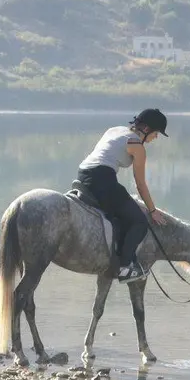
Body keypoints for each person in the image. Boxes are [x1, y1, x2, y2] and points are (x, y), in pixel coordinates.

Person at [77, 108, 169, 283]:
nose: (155, 138)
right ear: (147, 129)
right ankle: (125, 267)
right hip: (102, 179)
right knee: (139, 222)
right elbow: (140, 185)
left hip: (83, 173)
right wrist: (152, 210)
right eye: (156, 133)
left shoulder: (115, 130)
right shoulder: (137, 147)